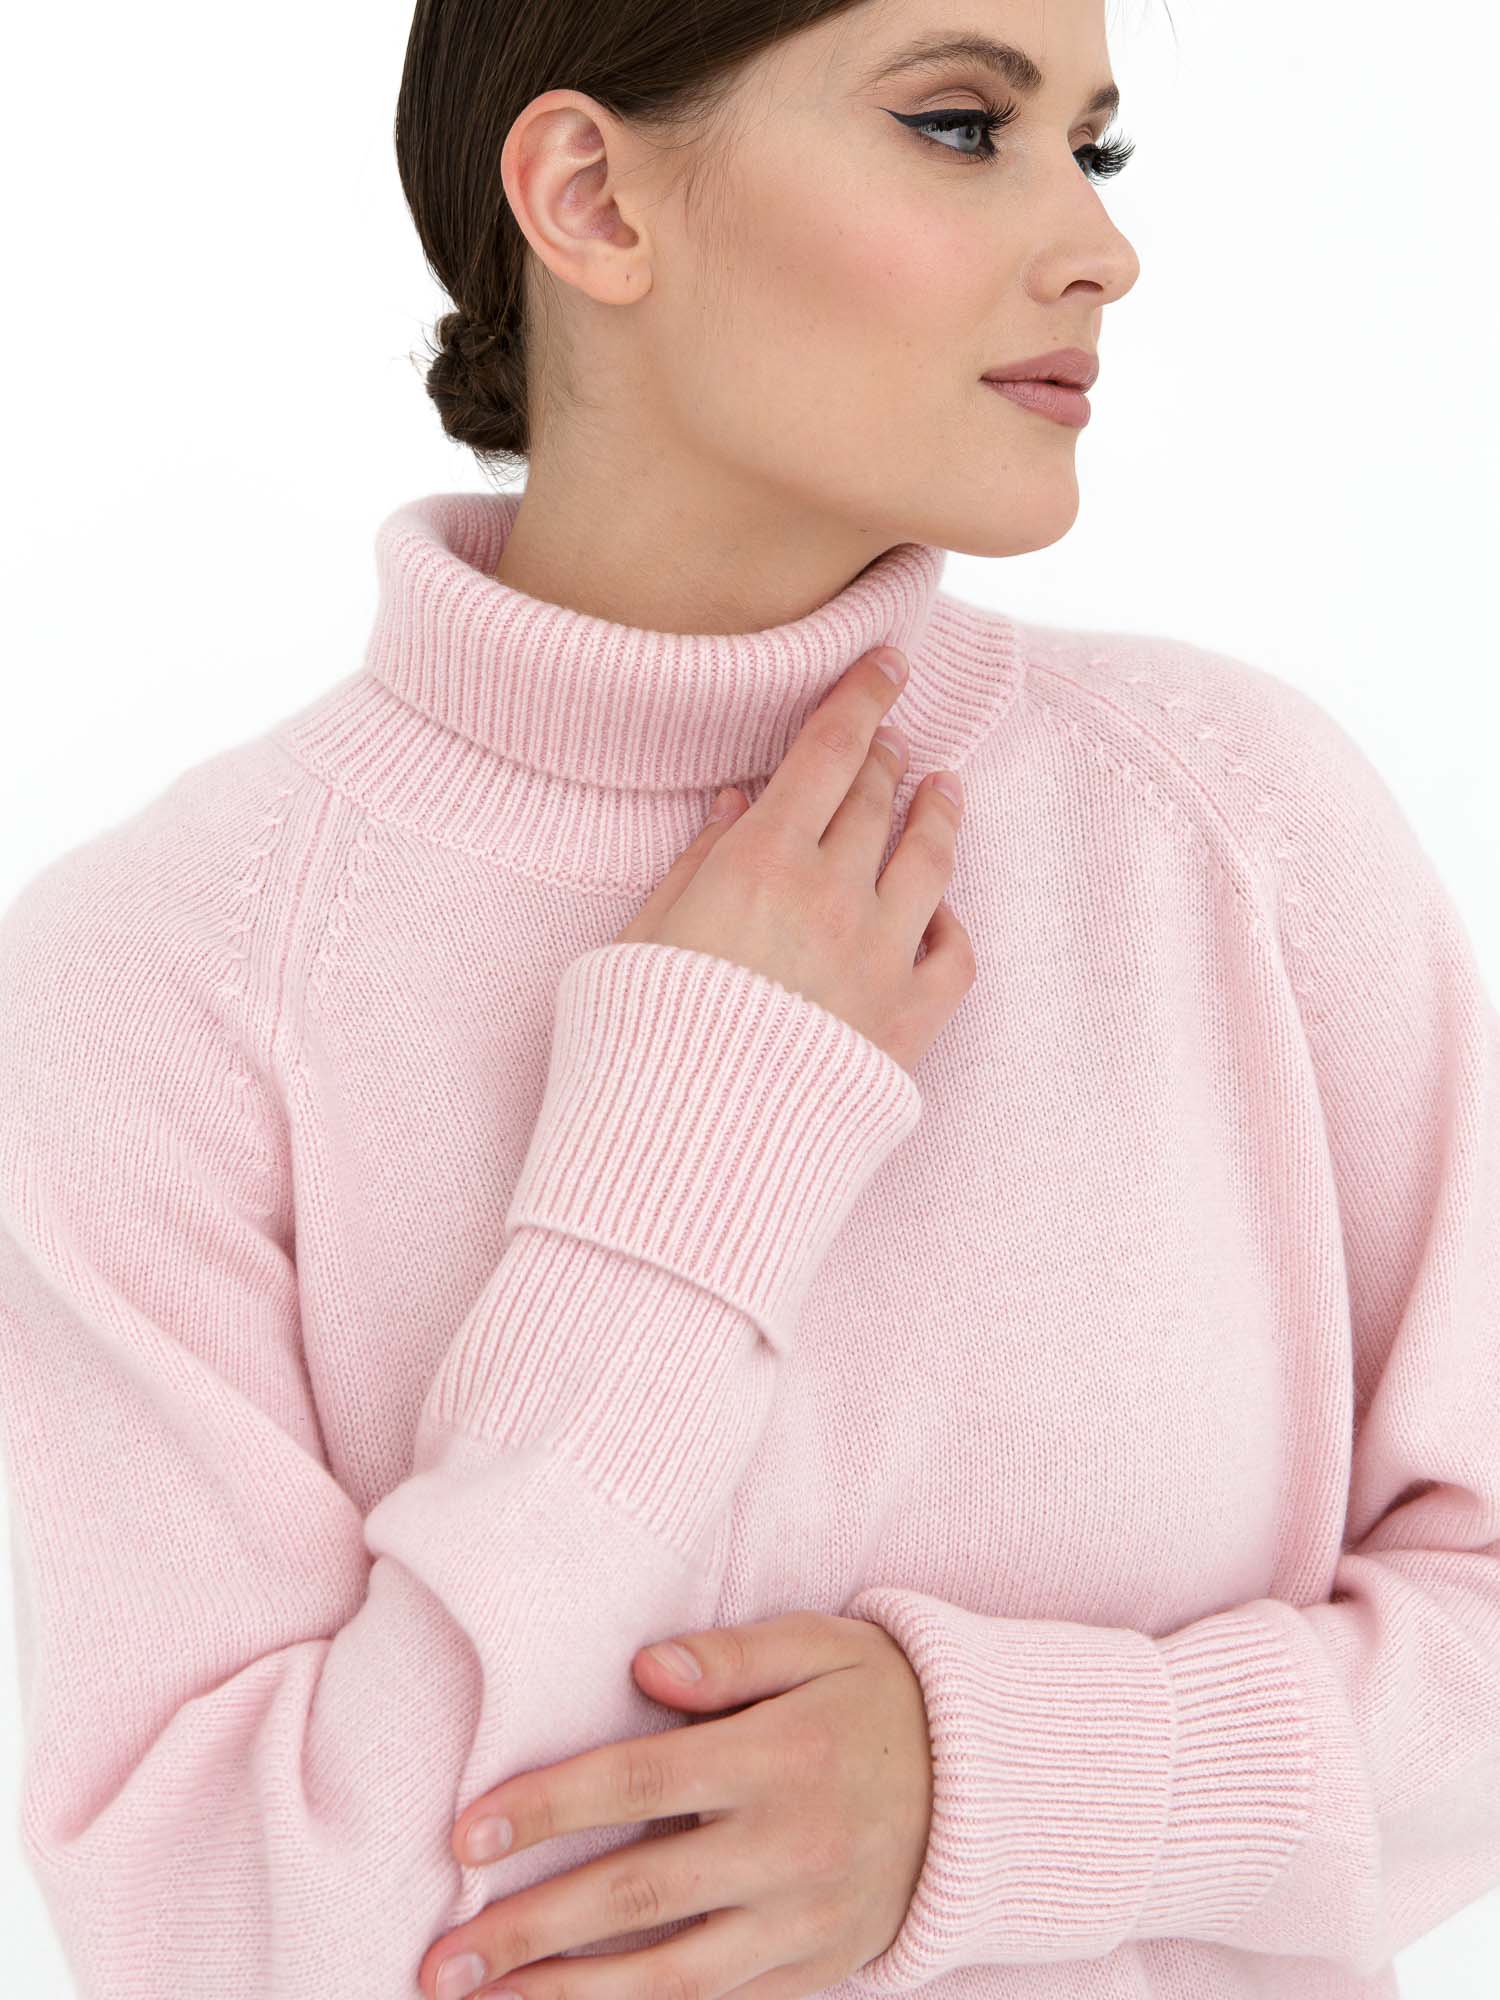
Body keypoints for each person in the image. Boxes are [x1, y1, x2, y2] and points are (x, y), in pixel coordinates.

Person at [2, 2, 1497, 1997]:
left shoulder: (1235, 829)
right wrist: (694, 1152)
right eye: (961, 125)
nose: (1101, 248)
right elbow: (242, 1941)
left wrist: (1001, 1792)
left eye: (1095, 148)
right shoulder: (149, 988)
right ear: (593, 198)